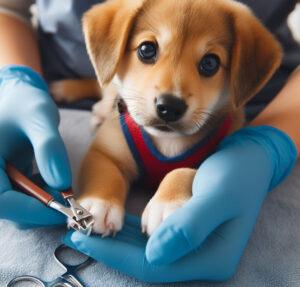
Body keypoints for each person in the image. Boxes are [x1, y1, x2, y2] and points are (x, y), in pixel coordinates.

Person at [0, 0, 299, 282]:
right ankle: (92, 86)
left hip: (274, 107)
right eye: (148, 50)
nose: (172, 92)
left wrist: (273, 140)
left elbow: (213, 172)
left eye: (209, 63)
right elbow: (106, 156)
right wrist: (15, 79)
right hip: (67, 80)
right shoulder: (124, 119)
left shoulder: (229, 129)